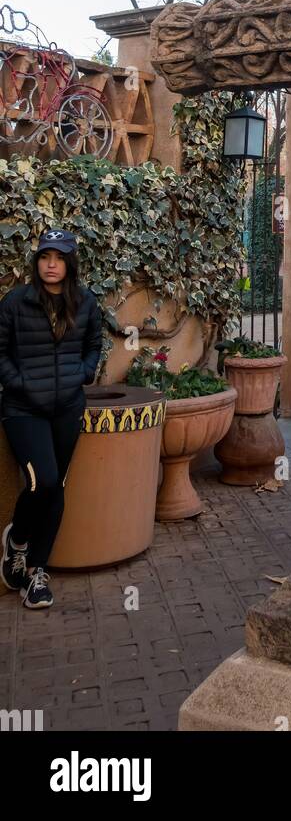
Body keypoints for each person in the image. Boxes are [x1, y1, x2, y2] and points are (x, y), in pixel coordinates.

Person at [0, 229, 103, 608]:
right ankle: (18, 542)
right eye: (45, 257)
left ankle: (36, 572)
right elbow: (0, 352)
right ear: (37, 261)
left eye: (59, 258)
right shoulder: (16, 303)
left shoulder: (86, 303)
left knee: (56, 485)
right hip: (23, 409)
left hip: (67, 408)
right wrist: (20, 382)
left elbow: (94, 345)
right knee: (41, 481)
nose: (51, 265)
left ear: (70, 262)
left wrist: (83, 373)